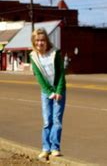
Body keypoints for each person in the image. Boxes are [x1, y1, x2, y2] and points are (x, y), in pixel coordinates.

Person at [30, 28, 67, 160]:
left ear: (47, 41)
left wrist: (58, 91)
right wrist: (50, 92)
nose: (40, 43)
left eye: (42, 40)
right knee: (47, 121)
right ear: (34, 42)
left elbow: (62, 73)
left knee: (57, 120)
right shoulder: (33, 56)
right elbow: (39, 77)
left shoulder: (55, 53)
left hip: (59, 90)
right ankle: (45, 148)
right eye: (37, 40)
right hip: (46, 91)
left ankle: (55, 148)